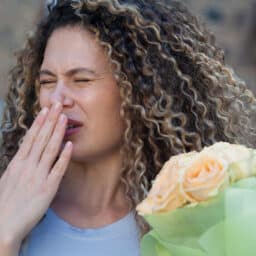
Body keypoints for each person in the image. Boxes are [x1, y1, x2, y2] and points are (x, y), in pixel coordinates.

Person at [0, 0, 255, 255]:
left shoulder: (190, 216)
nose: (57, 98)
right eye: (47, 81)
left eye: (81, 80)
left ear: (140, 92)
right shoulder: (8, 200)